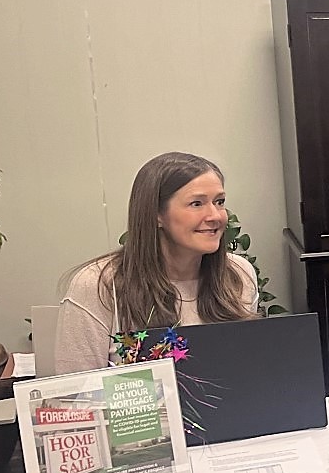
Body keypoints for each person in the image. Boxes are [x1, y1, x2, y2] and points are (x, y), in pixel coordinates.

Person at [56, 152, 258, 374]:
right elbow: (76, 396)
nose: (215, 216)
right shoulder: (98, 285)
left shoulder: (238, 274)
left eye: (219, 202)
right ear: (156, 214)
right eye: (196, 203)